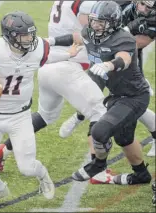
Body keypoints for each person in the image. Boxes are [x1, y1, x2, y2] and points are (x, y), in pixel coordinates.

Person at [0, 11, 81, 207]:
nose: (29, 39)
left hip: (20, 117)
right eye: (23, 36)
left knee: (27, 168)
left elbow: (46, 58)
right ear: (9, 36)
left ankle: (43, 175)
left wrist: (68, 54)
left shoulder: (37, 48)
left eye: (31, 34)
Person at [0, 0, 114, 184]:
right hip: (67, 65)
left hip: (48, 64)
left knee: (45, 116)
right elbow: (90, 31)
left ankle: (3, 150)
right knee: (99, 110)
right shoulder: (85, 3)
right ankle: (97, 170)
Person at [52, 1, 152, 185]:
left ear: (113, 23)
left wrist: (109, 65)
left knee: (100, 130)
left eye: (101, 22)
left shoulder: (124, 38)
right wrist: (51, 41)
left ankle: (98, 164)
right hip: (116, 94)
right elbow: (77, 37)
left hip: (134, 96)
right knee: (124, 139)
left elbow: (125, 58)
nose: (95, 25)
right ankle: (141, 174)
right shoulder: (91, 31)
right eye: (94, 21)